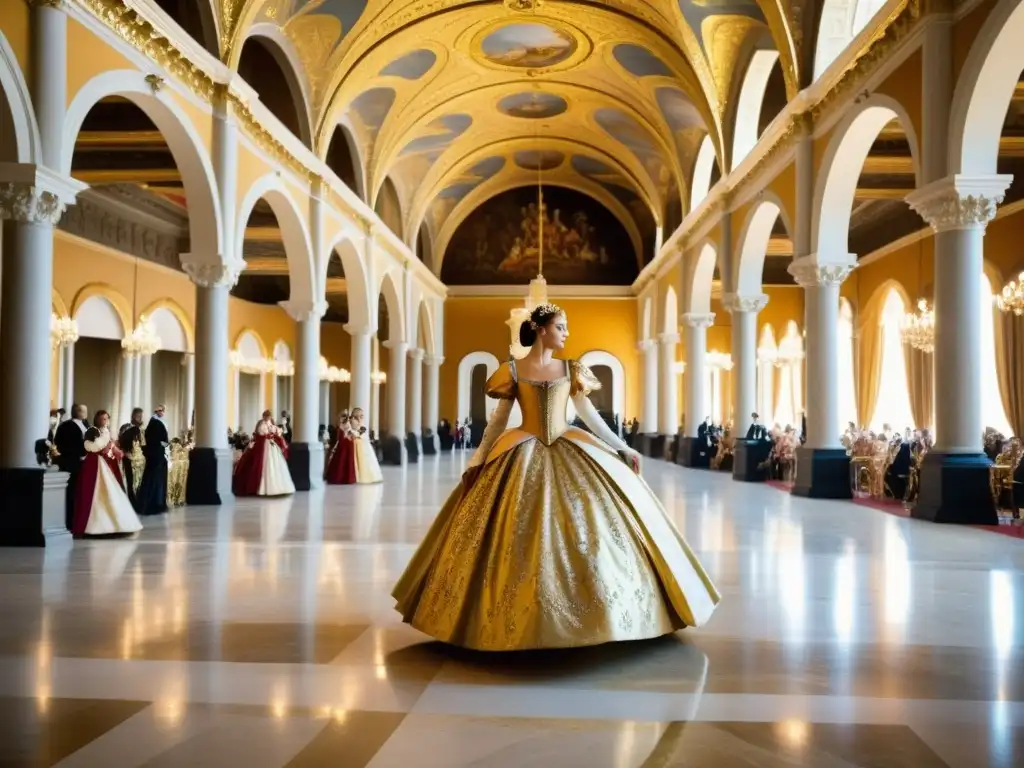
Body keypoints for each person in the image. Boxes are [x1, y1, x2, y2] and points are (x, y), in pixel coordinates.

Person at [393, 303, 719, 651]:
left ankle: (602, 615)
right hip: (520, 448)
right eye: (561, 326)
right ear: (541, 329)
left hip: (568, 444)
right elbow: (498, 422)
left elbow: (588, 415)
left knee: (592, 526)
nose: (567, 333)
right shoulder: (513, 371)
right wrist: (477, 460)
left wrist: (622, 447)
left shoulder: (571, 368)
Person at [71, 411, 142, 538]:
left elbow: (109, 447)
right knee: (95, 493)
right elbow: (91, 446)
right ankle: (95, 526)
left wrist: (114, 449)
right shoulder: (93, 431)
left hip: (104, 464)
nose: (105, 421)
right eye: (102, 419)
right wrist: (105, 442)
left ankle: (116, 525)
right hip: (94, 465)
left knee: (110, 493)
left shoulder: (106, 432)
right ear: (97, 420)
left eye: (106, 419)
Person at [233, 410, 296, 496]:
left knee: (275, 463)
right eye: (266, 416)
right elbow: (260, 433)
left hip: (271, 444)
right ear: (264, 416)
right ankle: (263, 488)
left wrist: (276, 431)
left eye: (269, 416)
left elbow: (277, 430)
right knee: (263, 463)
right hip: (264, 445)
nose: (268, 418)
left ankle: (278, 486)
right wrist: (269, 432)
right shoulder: (261, 424)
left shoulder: (271, 423)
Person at [54, 403, 89, 530]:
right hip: (72, 464)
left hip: (84, 464)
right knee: (71, 493)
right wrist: (78, 453)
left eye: (85, 410)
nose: (84, 413)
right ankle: (69, 522)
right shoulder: (66, 426)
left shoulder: (86, 424)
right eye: (81, 410)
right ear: (75, 411)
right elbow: (60, 443)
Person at [136, 405, 169, 515]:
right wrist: (165, 446)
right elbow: (163, 441)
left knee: (152, 480)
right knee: (155, 481)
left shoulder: (154, 423)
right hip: (157, 456)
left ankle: (152, 503)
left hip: (154, 455)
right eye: (159, 410)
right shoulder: (157, 423)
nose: (162, 412)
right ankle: (155, 504)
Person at [118, 408, 146, 510]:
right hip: (129, 458)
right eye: (139, 417)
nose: (140, 419)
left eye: (141, 417)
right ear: (133, 416)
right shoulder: (126, 428)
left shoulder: (141, 429)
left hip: (140, 460)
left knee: (139, 481)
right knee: (131, 481)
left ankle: (138, 501)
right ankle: (132, 502)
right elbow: (121, 442)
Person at [349, 407, 382, 483]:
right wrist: (358, 433)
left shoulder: (359, 421)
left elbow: (360, 429)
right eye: (360, 415)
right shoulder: (352, 421)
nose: (361, 417)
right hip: (357, 441)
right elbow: (353, 431)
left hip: (362, 441)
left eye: (362, 415)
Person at [324, 410, 356, 485]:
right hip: (343, 443)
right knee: (341, 459)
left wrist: (349, 436)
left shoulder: (345, 423)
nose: (345, 417)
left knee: (344, 459)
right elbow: (342, 434)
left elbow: (348, 432)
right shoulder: (341, 423)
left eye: (345, 415)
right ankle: (342, 478)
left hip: (346, 443)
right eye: (344, 415)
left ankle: (345, 478)